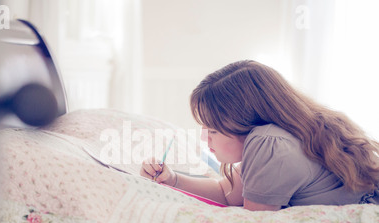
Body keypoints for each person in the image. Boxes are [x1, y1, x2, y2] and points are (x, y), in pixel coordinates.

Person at [140, 60, 379, 211]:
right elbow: (226, 192)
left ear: (244, 123)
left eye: (212, 129)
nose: (205, 138)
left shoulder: (268, 143)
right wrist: (173, 180)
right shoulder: (281, 135)